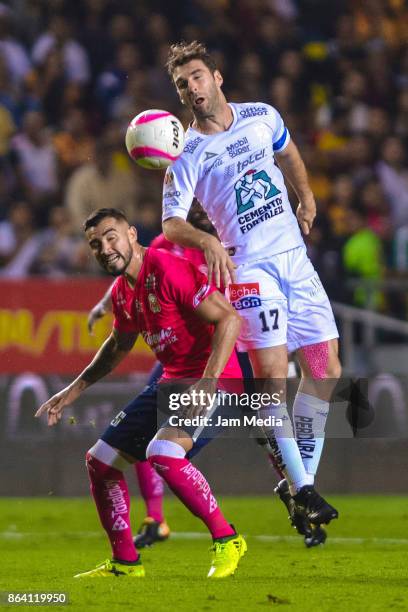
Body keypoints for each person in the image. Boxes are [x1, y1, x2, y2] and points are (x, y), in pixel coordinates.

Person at [161, 41, 342, 529]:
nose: (191, 88)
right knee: (271, 376)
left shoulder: (262, 114)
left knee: (325, 370)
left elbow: (289, 152)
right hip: (250, 268)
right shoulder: (186, 152)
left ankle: (299, 484)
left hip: (295, 260)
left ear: (217, 77)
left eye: (197, 76)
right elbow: (172, 223)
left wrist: (306, 197)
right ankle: (304, 489)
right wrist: (206, 241)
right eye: (182, 84)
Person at [88, 203, 326, 548]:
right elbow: (130, 272)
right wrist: (104, 305)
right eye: (193, 205)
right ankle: (156, 517)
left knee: (269, 429)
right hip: (194, 355)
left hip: (243, 346)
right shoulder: (167, 249)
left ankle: (299, 495)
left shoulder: (240, 240)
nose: (199, 211)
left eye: (205, 204)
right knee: (145, 429)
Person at [35, 207, 246, 579]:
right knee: (100, 462)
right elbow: (118, 345)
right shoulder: (122, 291)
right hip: (171, 382)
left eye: (111, 236)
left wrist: (208, 383)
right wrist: (72, 390)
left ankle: (228, 539)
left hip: (218, 381)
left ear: (132, 233)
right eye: (96, 244)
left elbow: (229, 318)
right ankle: (126, 563)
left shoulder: (167, 268)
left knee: (162, 454)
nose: (105, 248)